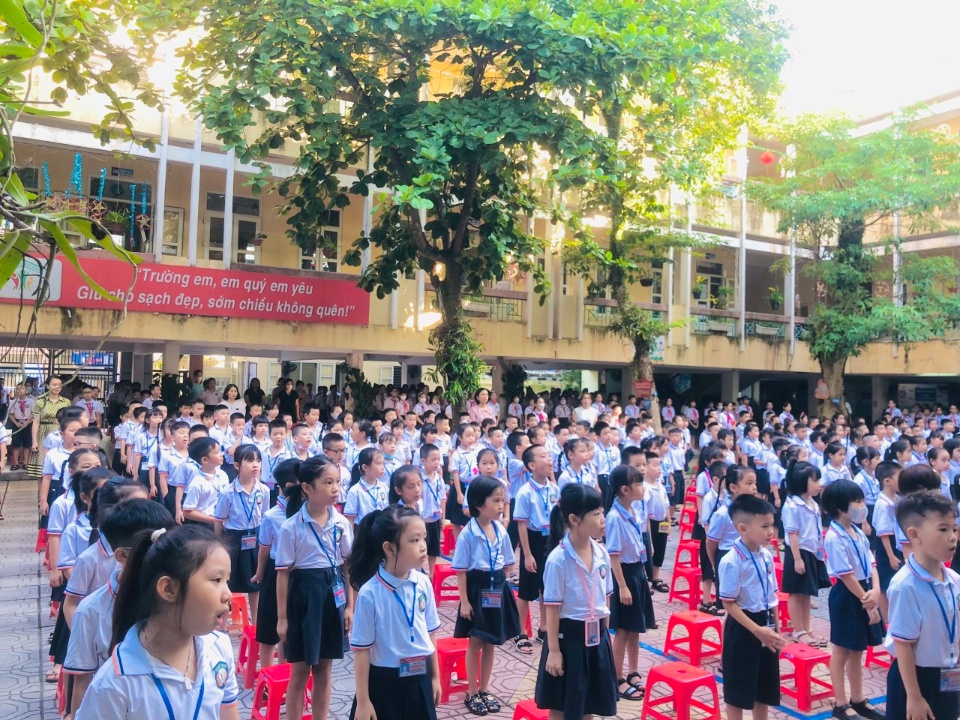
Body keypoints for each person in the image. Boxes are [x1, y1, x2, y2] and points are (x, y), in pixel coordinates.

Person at [74, 525, 240, 720]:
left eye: (227, 580)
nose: (228, 594)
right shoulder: (115, 683)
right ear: (168, 589)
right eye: (217, 579)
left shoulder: (219, 648)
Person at [64, 499, 174, 713]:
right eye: (153, 549)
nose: (166, 558)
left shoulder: (180, 597)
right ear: (122, 555)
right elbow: (82, 682)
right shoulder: (90, 611)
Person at [276, 456, 353, 720]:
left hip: (332, 596)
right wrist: (282, 618)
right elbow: (283, 575)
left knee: (324, 670)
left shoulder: (341, 523)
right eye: (328, 482)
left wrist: (349, 606)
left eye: (337, 482)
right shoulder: (291, 527)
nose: (335, 488)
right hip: (303, 598)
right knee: (299, 673)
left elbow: (347, 566)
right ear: (307, 488)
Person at [348, 505, 442, 720]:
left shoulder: (423, 583)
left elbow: (431, 633)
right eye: (414, 540)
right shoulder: (370, 593)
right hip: (384, 683)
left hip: (420, 677)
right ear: (389, 549)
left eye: (424, 538)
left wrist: (435, 677)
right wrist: (363, 701)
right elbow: (362, 651)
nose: (423, 546)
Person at [534, 484, 617, 720]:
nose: (603, 519)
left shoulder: (601, 553)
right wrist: (554, 651)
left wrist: (605, 638)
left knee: (589, 703)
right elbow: (552, 608)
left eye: (602, 512)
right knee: (561, 705)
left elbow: (605, 598)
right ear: (574, 519)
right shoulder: (558, 559)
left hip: (596, 636)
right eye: (596, 513)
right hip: (568, 639)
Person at [885, 491, 960, 720]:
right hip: (915, 679)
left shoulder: (954, 579)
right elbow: (903, 645)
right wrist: (914, 697)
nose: (953, 537)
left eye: (955, 529)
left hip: (949, 673)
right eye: (943, 529)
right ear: (915, 534)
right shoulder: (905, 586)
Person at [452, 475, 519, 716]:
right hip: (476, 588)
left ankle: (485, 689)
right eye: (496, 501)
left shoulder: (500, 529)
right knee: (475, 642)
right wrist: (465, 602)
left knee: (491, 641)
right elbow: (461, 571)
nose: (501, 506)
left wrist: (503, 585)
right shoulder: (469, 533)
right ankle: (472, 692)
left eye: (502, 500)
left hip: (496, 588)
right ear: (479, 504)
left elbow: (508, 562)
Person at [717, 494, 785, 720]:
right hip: (743, 627)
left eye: (771, 525)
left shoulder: (766, 556)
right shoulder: (731, 561)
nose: (770, 532)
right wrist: (757, 631)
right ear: (743, 528)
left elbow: (772, 596)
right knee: (737, 690)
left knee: (764, 687)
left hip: (766, 623)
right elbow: (728, 603)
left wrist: (776, 629)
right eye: (764, 526)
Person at [821, 480, 885, 720]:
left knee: (857, 649)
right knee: (841, 651)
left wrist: (876, 590)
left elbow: (872, 563)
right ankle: (840, 704)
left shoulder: (857, 532)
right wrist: (868, 601)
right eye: (857, 501)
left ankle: (858, 699)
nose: (862, 506)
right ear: (840, 507)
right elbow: (846, 576)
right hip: (849, 596)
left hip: (866, 590)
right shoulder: (834, 537)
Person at [606, 465, 655, 702]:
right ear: (625, 489)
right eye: (639, 484)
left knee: (636, 626)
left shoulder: (632, 509)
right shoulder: (614, 517)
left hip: (636, 572)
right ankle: (617, 678)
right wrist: (623, 586)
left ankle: (633, 672)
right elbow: (614, 555)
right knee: (623, 630)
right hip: (624, 575)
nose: (643, 488)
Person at [251, 458, 300, 672]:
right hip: (275, 571)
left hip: (298, 571)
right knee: (270, 625)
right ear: (290, 485)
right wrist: (259, 573)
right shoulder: (271, 516)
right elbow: (264, 549)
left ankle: (285, 671)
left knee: (289, 625)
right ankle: (267, 675)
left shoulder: (308, 511)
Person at [214, 444, 269, 621]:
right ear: (237, 465)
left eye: (258, 460)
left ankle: (256, 622)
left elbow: (264, 516)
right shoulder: (228, 492)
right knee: (229, 580)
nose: (255, 465)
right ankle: (224, 621)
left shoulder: (264, 490)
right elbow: (219, 520)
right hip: (233, 538)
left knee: (255, 580)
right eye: (250, 461)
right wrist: (219, 543)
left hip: (255, 536)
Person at [513, 444, 559, 654]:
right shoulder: (525, 492)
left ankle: (544, 628)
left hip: (551, 541)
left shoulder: (554, 489)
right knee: (526, 589)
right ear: (532, 465)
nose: (549, 459)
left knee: (547, 587)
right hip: (532, 541)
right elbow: (522, 525)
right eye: (543, 456)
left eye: (549, 455)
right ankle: (520, 632)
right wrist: (527, 554)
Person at [781, 461, 831, 647]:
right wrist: (797, 559)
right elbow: (792, 534)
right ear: (802, 482)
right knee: (796, 593)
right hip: (799, 552)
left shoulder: (812, 503)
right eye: (815, 480)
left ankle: (807, 628)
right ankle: (798, 630)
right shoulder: (793, 505)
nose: (819, 484)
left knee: (807, 593)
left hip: (811, 552)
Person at [29, 376, 71, 481]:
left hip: (61, 434)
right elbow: (36, 422)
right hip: (43, 434)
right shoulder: (40, 402)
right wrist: (34, 441)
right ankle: (42, 491)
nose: (57, 387)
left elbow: (70, 421)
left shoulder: (66, 402)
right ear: (48, 386)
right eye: (54, 384)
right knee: (42, 468)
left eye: (59, 385)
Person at [419, 443, 446, 578]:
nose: (437, 463)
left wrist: (443, 518)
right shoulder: (418, 479)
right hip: (421, 519)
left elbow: (442, 499)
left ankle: (432, 575)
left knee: (434, 549)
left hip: (435, 518)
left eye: (438, 459)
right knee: (420, 547)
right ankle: (418, 571)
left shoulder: (439, 478)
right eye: (433, 459)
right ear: (423, 461)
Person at [344, 447, 388, 527]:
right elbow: (350, 518)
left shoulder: (384, 487)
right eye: (378, 463)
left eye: (383, 463)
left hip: (381, 529)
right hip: (363, 530)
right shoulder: (355, 491)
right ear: (365, 467)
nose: (382, 467)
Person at [7, 383, 34, 470]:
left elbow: (33, 414)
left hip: (28, 423)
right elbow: (10, 414)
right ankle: (15, 463)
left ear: (26, 390)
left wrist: (27, 423)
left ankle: (26, 463)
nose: (20, 390)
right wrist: (16, 423)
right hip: (17, 423)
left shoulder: (31, 401)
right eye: (18, 389)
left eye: (22, 388)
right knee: (16, 444)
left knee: (27, 444)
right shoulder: (13, 401)